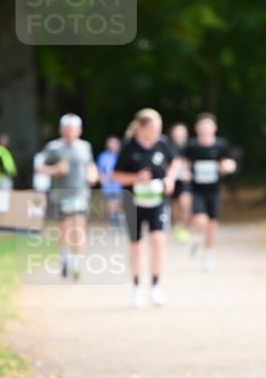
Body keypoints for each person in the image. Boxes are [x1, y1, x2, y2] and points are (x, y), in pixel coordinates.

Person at [112, 109, 179, 307]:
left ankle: (156, 286)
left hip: (157, 200)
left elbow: (175, 162)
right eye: (152, 129)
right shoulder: (128, 147)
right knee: (136, 245)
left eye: (158, 129)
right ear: (141, 128)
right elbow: (115, 176)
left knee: (158, 240)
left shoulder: (163, 143)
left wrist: (170, 179)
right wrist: (135, 178)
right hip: (133, 201)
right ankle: (136, 287)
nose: (156, 133)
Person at [36, 114, 98, 280]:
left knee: (78, 226)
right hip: (60, 195)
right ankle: (64, 257)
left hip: (80, 193)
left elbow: (90, 165)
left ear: (79, 130)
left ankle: (77, 263)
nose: (70, 132)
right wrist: (55, 169)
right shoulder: (53, 147)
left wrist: (92, 175)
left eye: (73, 129)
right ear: (61, 130)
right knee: (65, 229)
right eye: (67, 129)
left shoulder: (85, 147)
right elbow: (39, 167)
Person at [185, 112, 237, 271]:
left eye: (209, 126)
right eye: (203, 126)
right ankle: (196, 237)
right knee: (200, 220)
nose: (206, 129)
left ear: (214, 128)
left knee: (211, 224)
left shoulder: (220, 145)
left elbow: (229, 162)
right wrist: (186, 172)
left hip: (214, 190)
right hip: (197, 189)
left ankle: (207, 255)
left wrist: (226, 167)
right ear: (197, 128)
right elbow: (183, 162)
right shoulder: (192, 145)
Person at [168, 123, 192, 242]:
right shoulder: (168, 147)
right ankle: (177, 226)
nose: (179, 135)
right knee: (175, 206)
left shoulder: (190, 146)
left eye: (181, 132)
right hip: (173, 181)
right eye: (177, 132)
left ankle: (185, 227)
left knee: (185, 203)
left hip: (185, 181)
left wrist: (190, 171)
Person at [96, 136, 124, 230]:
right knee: (111, 205)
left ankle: (121, 223)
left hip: (120, 185)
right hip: (108, 186)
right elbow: (100, 171)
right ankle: (115, 225)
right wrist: (103, 179)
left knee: (120, 205)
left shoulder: (122, 155)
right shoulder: (103, 156)